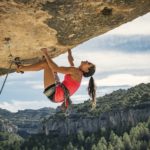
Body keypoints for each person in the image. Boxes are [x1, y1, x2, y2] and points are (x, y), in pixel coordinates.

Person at [16, 48, 96, 110]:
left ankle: (20, 68)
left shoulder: (76, 72)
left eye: (88, 64)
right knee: (46, 63)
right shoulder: (77, 73)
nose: (87, 61)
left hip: (54, 93)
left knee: (46, 64)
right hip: (57, 96)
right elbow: (71, 63)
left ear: (86, 70)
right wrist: (69, 52)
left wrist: (46, 53)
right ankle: (24, 67)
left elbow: (55, 68)